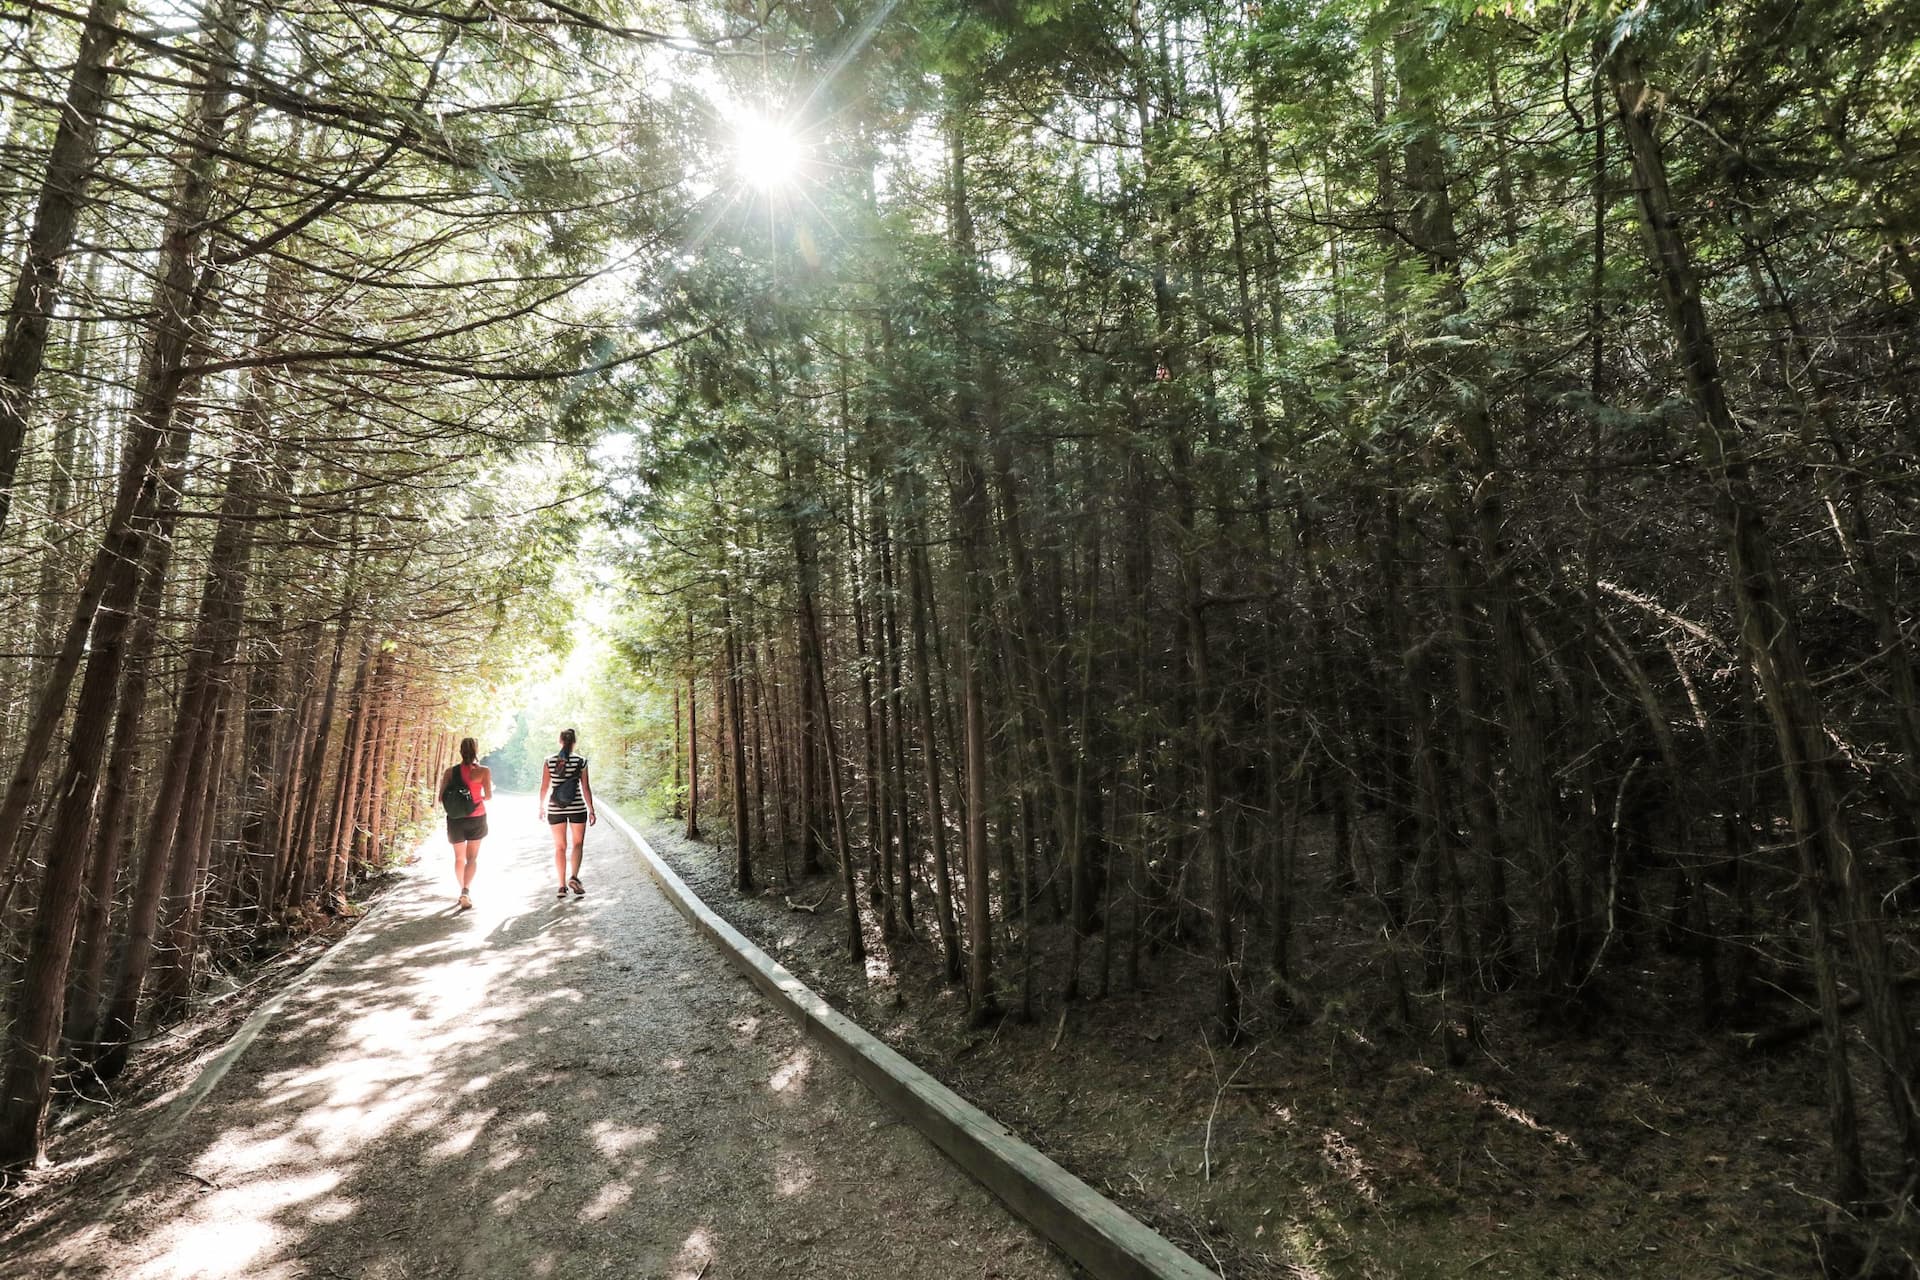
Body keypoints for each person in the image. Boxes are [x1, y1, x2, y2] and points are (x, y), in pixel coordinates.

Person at [538, 727, 595, 898]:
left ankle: (562, 886)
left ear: (560, 741)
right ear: (574, 742)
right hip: (577, 807)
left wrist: (541, 806)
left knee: (560, 847)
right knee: (578, 844)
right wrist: (591, 809)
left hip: (556, 808)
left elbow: (544, 787)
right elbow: (585, 787)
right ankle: (574, 878)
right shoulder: (581, 761)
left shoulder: (549, 761)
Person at [441, 737, 492, 911]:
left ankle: (461, 890)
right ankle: (466, 891)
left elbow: (442, 797)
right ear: (476, 751)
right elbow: (489, 796)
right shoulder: (483, 771)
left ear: (460, 751)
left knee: (459, 858)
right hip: (477, 816)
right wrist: (478, 798)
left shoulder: (450, 772)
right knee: (472, 858)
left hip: (456, 819)